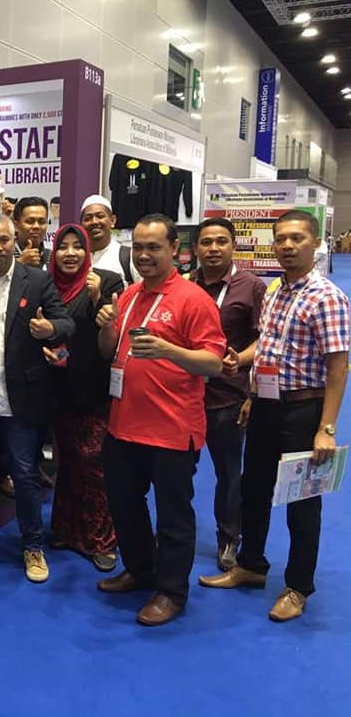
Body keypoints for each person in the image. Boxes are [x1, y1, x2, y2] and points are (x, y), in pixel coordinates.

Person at [200, 211, 350, 622]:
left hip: (304, 409)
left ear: (316, 242)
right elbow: (267, 346)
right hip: (266, 404)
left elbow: (338, 367)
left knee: (301, 502)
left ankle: (298, 587)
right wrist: (249, 384)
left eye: (296, 238)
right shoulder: (274, 291)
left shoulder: (326, 297)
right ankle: (251, 565)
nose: (287, 245)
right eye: (280, 238)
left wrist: (326, 427)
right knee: (254, 490)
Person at [95, 214, 225, 626]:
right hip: (123, 424)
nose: (144, 255)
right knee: (124, 505)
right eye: (138, 247)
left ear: (174, 250)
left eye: (154, 247)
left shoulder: (193, 299)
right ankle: (140, 569)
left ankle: (170, 591)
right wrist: (106, 328)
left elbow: (214, 363)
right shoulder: (130, 295)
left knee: (173, 516)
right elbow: (108, 352)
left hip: (171, 429)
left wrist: (169, 351)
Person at [0, 214, 74, 583]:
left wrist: (49, 328)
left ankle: (32, 545)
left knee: (23, 473)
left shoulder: (35, 280)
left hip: (19, 395)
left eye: (4, 240)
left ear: (14, 240)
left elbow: (66, 323)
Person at [44, 224, 124, 571]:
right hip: (59, 387)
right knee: (68, 462)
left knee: (94, 463)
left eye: (78, 246)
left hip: (95, 388)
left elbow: (110, 338)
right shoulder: (47, 285)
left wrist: (96, 300)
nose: (70, 253)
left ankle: (101, 539)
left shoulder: (106, 282)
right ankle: (66, 529)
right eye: (63, 246)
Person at [189, 218, 266, 571]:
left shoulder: (251, 287)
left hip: (229, 396)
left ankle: (229, 536)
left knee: (229, 473)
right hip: (186, 395)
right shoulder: (185, 284)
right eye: (206, 242)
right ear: (195, 248)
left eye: (221, 241)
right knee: (178, 470)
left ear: (234, 246)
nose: (213, 248)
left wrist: (246, 372)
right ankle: (176, 531)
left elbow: (265, 339)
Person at [80, 195, 141, 286]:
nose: (94, 222)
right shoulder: (77, 258)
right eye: (88, 218)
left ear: (112, 220)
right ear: (81, 225)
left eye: (100, 216)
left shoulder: (129, 256)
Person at [12, 197, 51, 269]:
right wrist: (20, 263)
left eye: (42, 222)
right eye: (30, 221)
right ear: (16, 225)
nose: (36, 226)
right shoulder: (5, 255)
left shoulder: (52, 257)